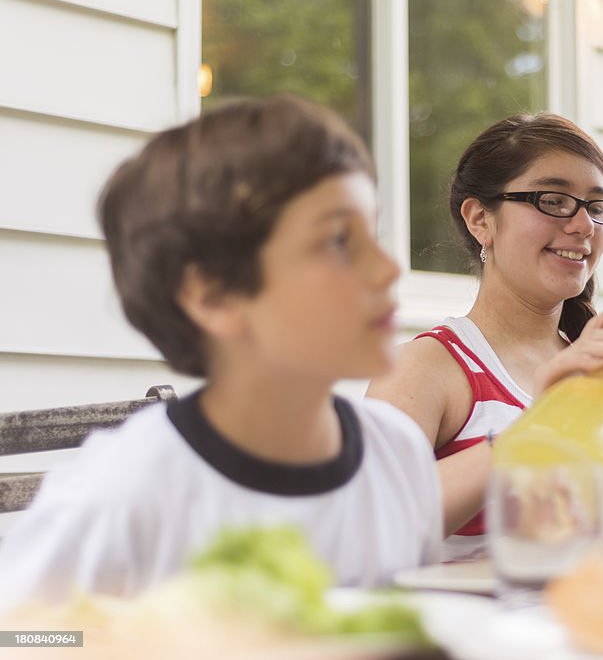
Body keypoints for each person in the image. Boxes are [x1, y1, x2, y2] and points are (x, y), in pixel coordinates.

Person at [0, 95, 442, 610]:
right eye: (340, 240)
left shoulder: (399, 457)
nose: (390, 268)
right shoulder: (120, 495)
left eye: (377, 231)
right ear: (213, 295)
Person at [367, 113, 603, 562]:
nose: (584, 225)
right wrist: (533, 428)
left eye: (595, 206)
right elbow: (369, 527)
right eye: (553, 200)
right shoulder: (427, 367)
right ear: (480, 219)